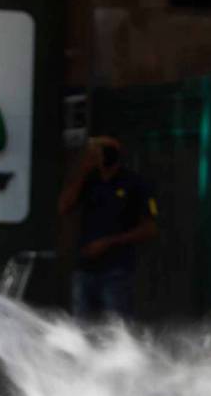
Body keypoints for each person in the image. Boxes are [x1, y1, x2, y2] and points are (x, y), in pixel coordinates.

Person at [58, 136, 159, 320]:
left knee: (115, 325)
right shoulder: (89, 181)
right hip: (85, 268)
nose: (98, 156)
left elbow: (150, 228)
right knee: (82, 325)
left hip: (116, 270)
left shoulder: (133, 183)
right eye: (94, 152)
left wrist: (110, 242)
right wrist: (82, 171)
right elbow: (64, 207)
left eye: (102, 151)